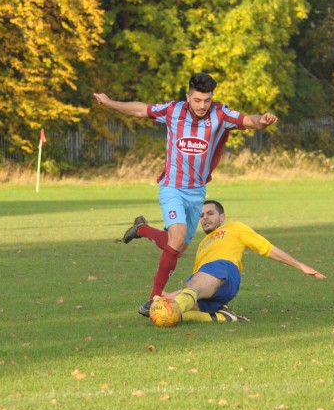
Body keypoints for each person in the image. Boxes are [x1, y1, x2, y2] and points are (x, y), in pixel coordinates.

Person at [94, 73, 278, 316]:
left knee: (177, 247)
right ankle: (153, 299)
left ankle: (142, 229)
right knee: (177, 238)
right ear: (188, 97)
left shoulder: (220, 115)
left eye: (207, 100)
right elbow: (140, 110)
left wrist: (263, 120)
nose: (203, 106)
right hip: (172, 187)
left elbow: (249, 120)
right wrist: (109, 103)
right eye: (198, 100)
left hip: (197, 192)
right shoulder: (173, 110)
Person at [149, 200, 326, 323]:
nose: (205, 218)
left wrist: (299, 265)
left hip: (224, 270)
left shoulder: (235, 228)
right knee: (158, 308)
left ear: (222, 217)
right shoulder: (202, 243)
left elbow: (266, 247)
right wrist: (167, 295)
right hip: (207, 283)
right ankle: (223, 316)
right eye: (202, 215)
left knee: (173, 307)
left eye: (210, 213)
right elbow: (197, 284)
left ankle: (181, 309)